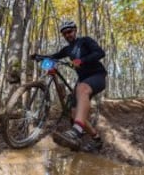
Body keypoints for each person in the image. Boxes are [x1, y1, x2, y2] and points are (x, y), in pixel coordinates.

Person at [32, 20, 107, 151]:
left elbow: (100, 53)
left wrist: (81, 60)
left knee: (81, 88)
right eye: (64, 33)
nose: (67, 35)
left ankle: (76, 130)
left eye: (69, 32)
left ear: (75, 30)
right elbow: (54, 56)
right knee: (73, 113)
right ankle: (96, 139)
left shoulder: (85, 41)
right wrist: (39, 57)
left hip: (97, 76)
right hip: (82, 80)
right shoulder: (67, 49)